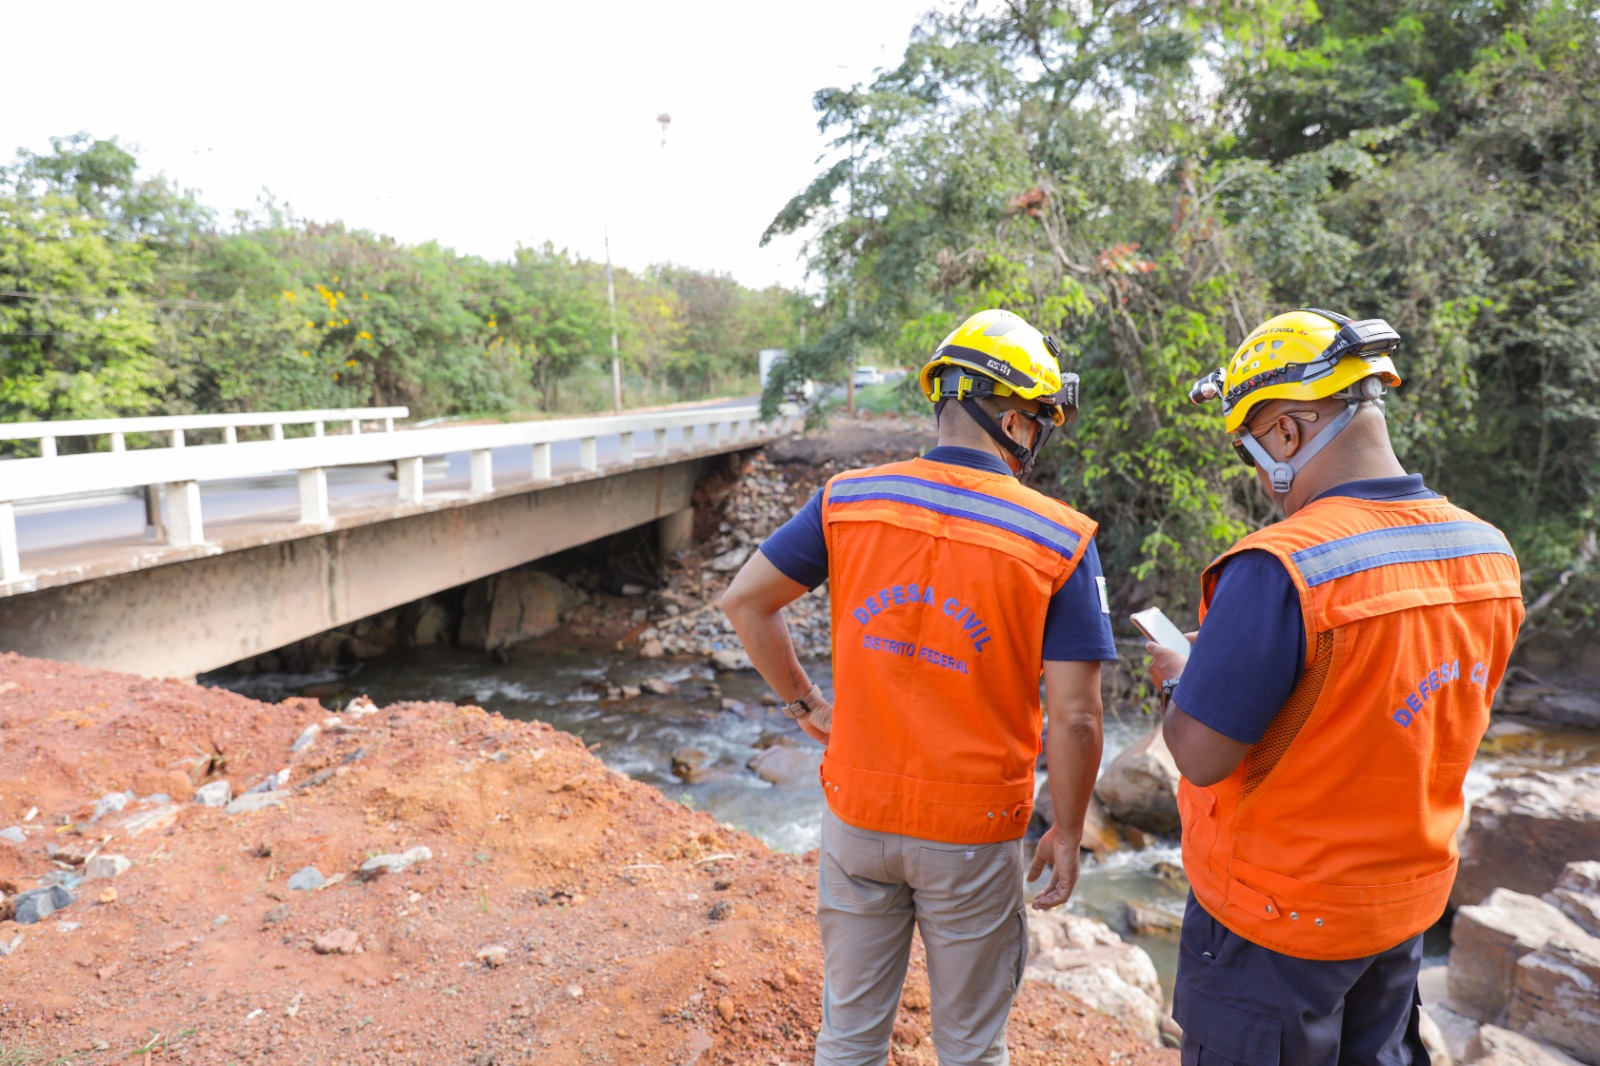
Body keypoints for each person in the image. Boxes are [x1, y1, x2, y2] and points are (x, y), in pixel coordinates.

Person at [721, 308, 1116, 1066]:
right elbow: (1075, 718)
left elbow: (746, 601)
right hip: (972, 833)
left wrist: (805, 703)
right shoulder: (1058, 538)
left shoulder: (848, 500)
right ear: (1012, 420)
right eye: (1038, 422)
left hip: (857, 818)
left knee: (849, 1039)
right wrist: (1065, 832)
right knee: (970, 1047)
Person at [1150, 308, 1524, 1064]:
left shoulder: (1282, 564)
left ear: (1286, 433)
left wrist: (1180, 683)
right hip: (1398, 916)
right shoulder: (1488, 554)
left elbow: (1200, 756)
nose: (1260, 475)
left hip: (1275, 927)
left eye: (1253, 449)